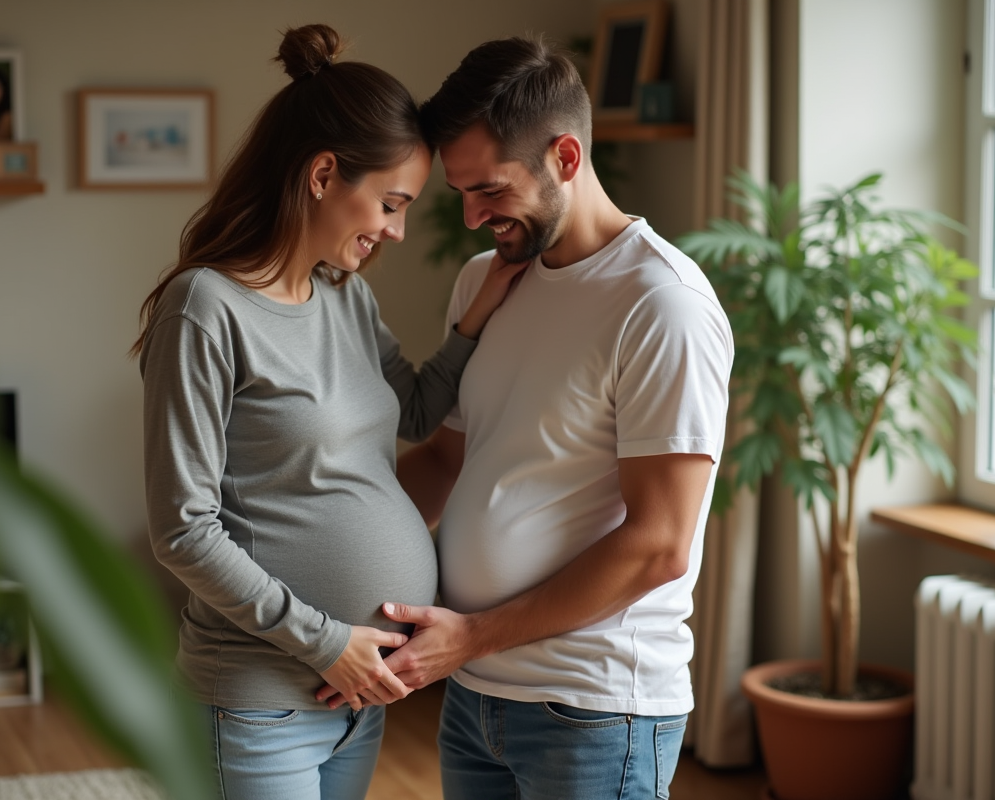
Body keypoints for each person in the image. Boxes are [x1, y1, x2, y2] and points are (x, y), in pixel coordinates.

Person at [315, 34, 735, 799]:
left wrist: (470, 636)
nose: (474, 216)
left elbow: (659, 546)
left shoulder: (662, 306)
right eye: (461, 192)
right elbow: (447, 460)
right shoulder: (487, 280)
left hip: (593, 709)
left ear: (565, 157)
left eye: (491, 191)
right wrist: (317, 554)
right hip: (475, 695)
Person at [131, 24, 524, 800]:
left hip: (354, 697)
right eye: (390, 203)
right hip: (258, 698)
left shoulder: (345, 296)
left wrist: (476, 318)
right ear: (321, 174)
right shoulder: (204, 309)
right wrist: (325, 643)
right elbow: (181, 527)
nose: (396, 231)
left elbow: (416, 410)